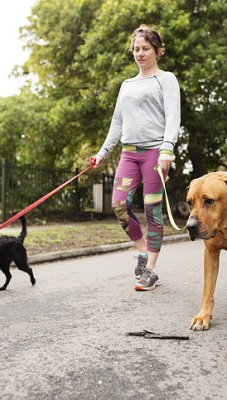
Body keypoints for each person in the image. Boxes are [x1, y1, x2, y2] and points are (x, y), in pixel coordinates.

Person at [91, 24, 181, 291]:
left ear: (158, 51)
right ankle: (142, 250)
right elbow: (117, 122)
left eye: (145, 49)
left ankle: (151, 270)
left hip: (155, 153)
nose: (140, 54)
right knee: (119, 204)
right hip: (129, 154)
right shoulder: (127, 85)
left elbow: (173, 116)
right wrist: (102, 152)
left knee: (152, 209)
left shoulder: (166, 79)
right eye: (136, 49)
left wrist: (167, 148)